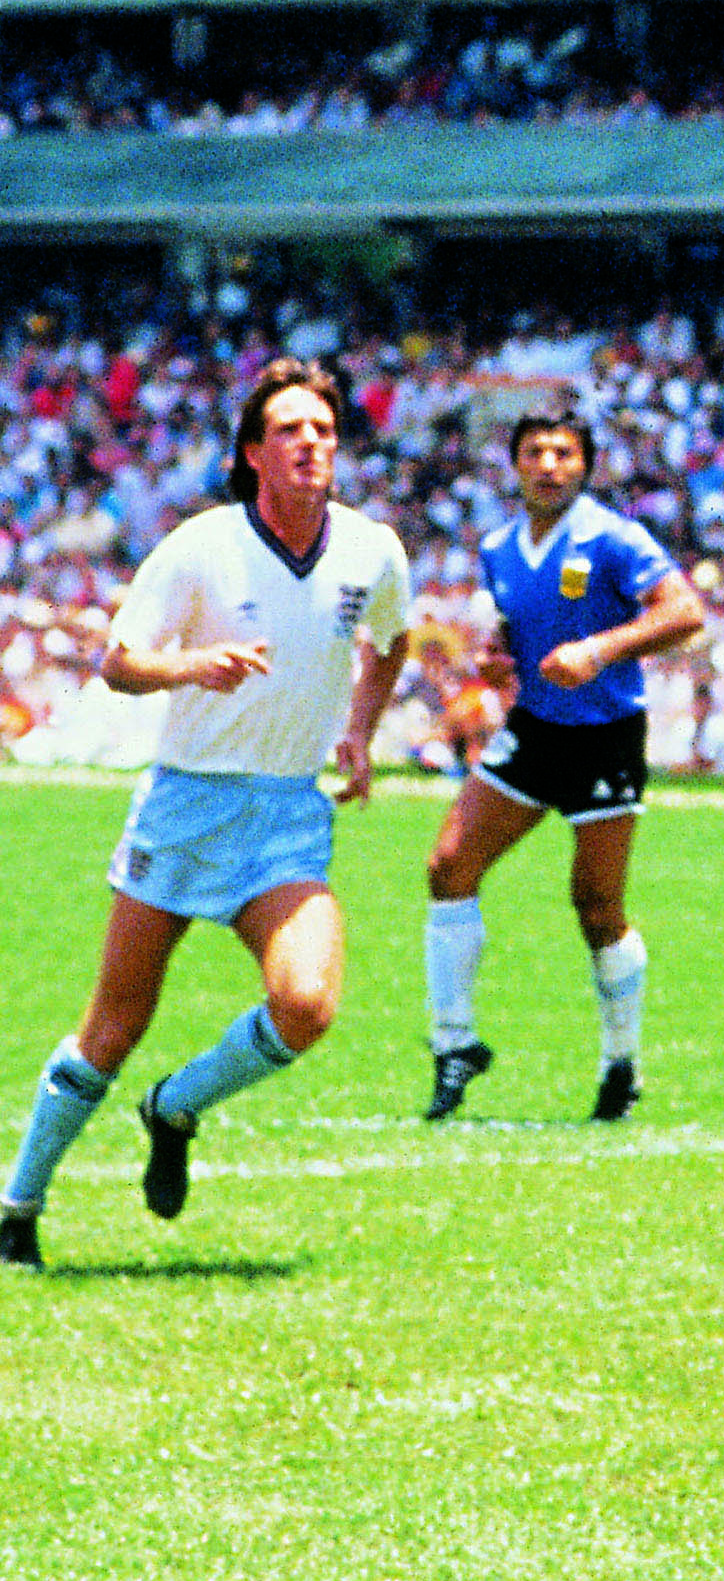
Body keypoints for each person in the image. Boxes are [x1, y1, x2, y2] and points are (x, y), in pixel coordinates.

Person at [1, 360, 411, 1271]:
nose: (312, 443)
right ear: (252, 452)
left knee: (305, 1003)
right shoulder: (200, 546)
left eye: (324, 428)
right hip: (187, 802)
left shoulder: (371, 550)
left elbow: (393, 637)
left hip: (289, 814)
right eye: (291, 430)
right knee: (114, 1025)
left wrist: (359, 732)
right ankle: (18, 1203)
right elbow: (117, 661)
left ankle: (176, 1104)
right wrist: (193, 665)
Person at [420, 413, 706, 1125]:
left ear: (585, 465)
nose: (549, 463)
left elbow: (686, 611)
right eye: (535, 452)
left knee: (597, 905)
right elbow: (515, 635)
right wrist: (498, 659)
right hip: (536, 731)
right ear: (514, 465)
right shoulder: (498, 548)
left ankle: (622, 1063)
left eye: (564, 452)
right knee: (449, 865)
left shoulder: (613, 537)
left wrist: (599, 651)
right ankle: (454, 1043)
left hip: (605, 737)